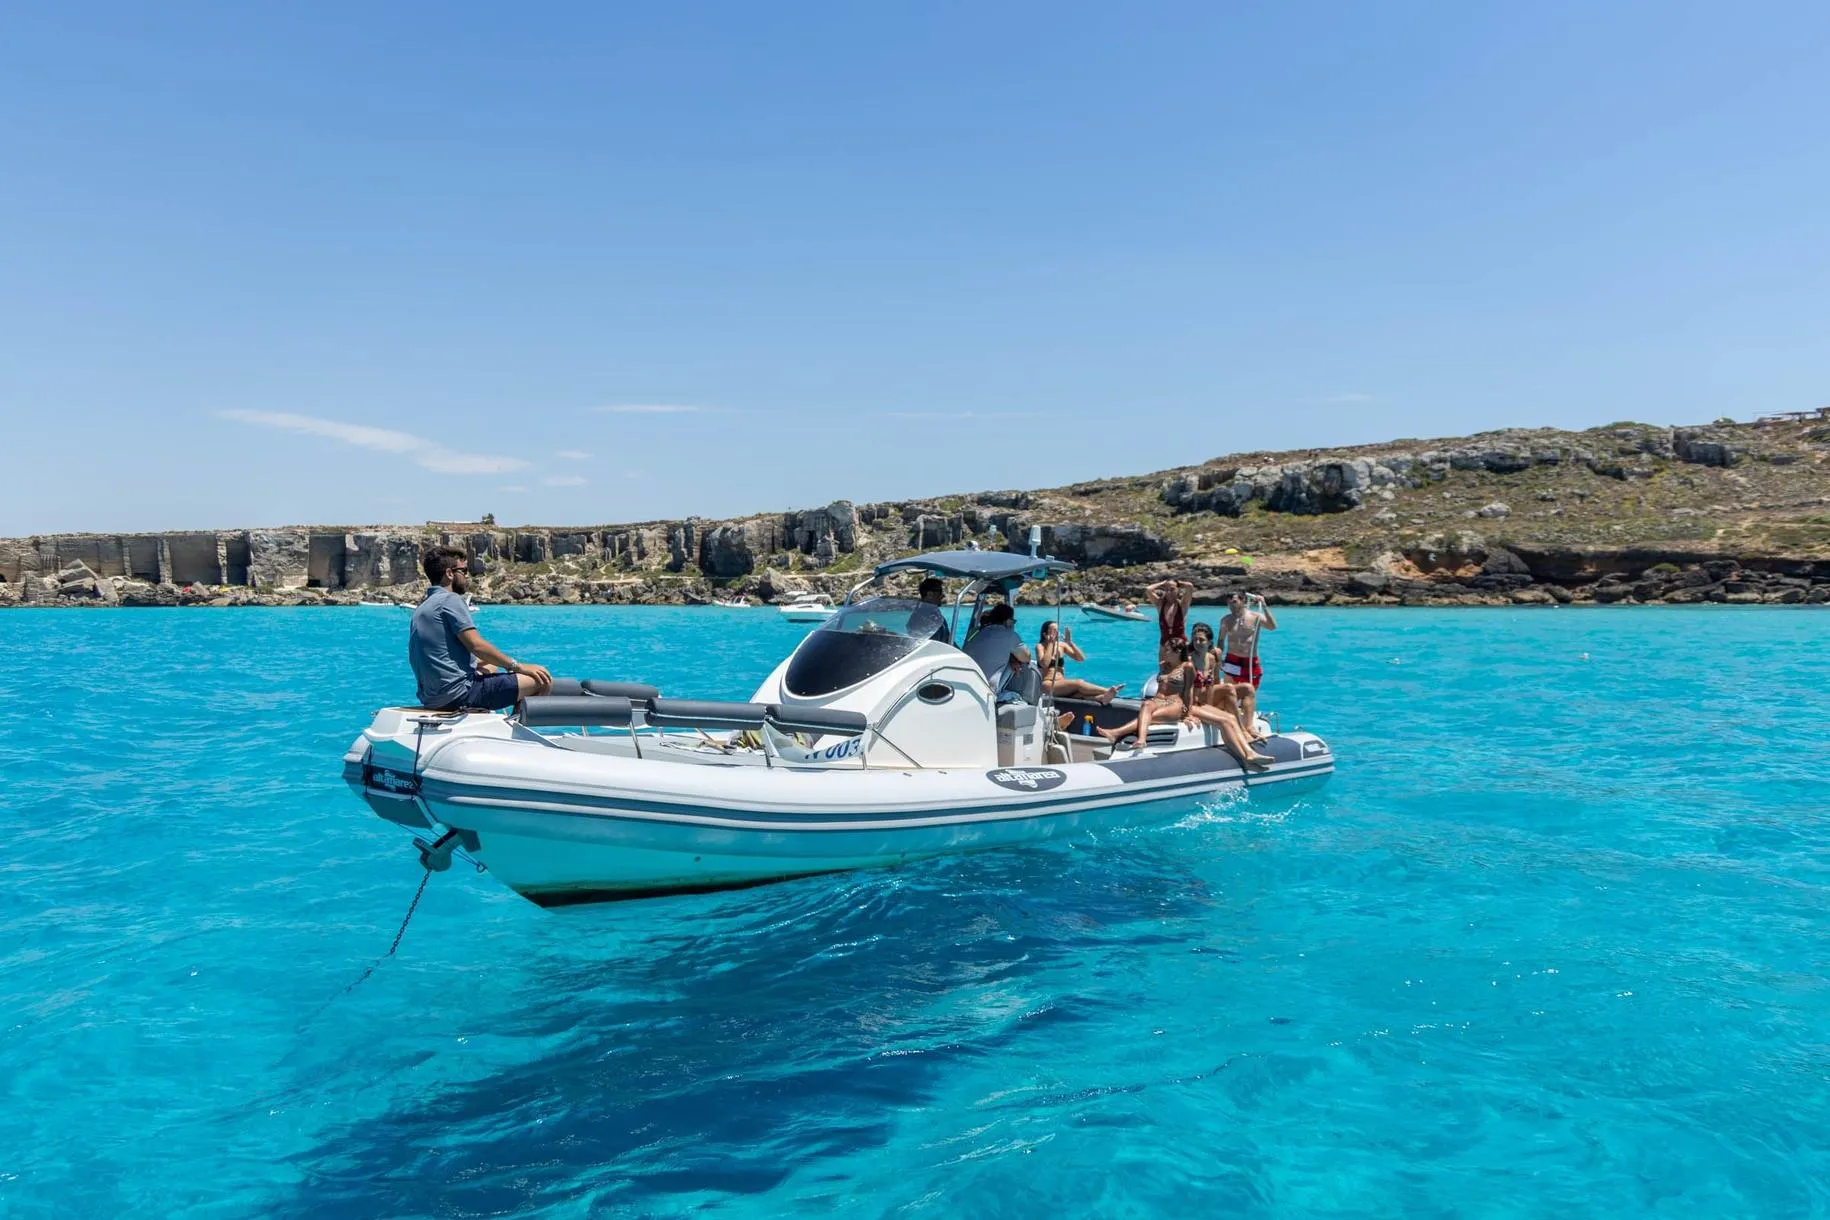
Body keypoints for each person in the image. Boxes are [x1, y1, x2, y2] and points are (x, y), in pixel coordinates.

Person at [409, 547, 553, 710]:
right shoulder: (451, 600)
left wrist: (487, 661)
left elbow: (441, 655)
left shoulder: (422, 608)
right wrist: (517, 666)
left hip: (432, 698)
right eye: (463, 571)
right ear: (449, 573)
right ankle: (515, 728)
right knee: (541, 678)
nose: (466, 576)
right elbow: (476, 645)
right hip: (459, 695)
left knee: (490, 666)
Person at [1219, 592, 1276, 738]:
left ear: (1243, 601)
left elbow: (1272, 626)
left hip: (1250, 661)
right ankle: (1234, 723)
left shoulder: (1255, 617)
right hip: (1232, 659)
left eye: (1234, 602)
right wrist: (1219, 657)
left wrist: (1263, 605)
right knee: (1230, 692)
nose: (1231, 605)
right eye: (1229, 603)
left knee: (1250, 693)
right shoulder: (1226, 620)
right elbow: (1221, 640)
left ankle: (1249, 726)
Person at [1035, 620, 1121, 703]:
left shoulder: (1061, 646)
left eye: (1057, 630)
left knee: (1080, 694)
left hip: (1062, 684)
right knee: (1078, 683)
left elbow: (1081, 659)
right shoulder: (1040, 647)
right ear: (1045, 634)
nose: (1057, 633)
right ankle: (1107, 691)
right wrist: (1051, 643)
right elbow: (1044, 664)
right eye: (1053, 631)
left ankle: (1102, 698)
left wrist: (1070, 643)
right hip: (1048, 685)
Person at [964, 601, 1023, 679]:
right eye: (1013, 621)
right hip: (985, 685)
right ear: (1008, 621)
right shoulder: (1009, 635)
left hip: (966, 676)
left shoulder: (977, 632)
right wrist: (1014, 661)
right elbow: (1026, 657)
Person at [1147, 578, 1194, 643]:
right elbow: (1148, 589)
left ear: (1178, 590)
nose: (1169, 592)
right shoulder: (1160, 605)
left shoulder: (1183, 605)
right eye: (1166, 590)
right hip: (1164, 645)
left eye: (1172, 589)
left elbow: (1189, 586)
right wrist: (1162, 583)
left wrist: (1178, 582)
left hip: (1181, 644)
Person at [917, 576, 953, 646]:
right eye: (940, 592)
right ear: (930, 594)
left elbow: (947, 638)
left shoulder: (935, 614)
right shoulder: (920, 618)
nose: (943, 595)